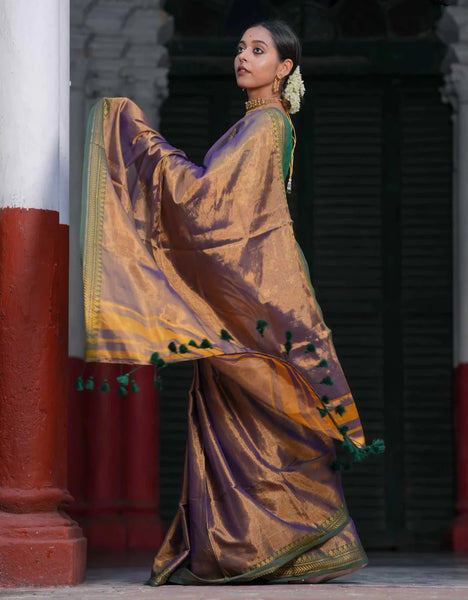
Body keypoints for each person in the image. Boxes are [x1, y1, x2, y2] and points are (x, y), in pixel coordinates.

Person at [81, 19, 382, 586]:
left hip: (257, 291)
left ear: (285, 67)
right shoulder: (257, 126)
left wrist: (141, 141)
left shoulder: (267, 125)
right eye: (241, 47)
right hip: (249, 289)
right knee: (245, 415)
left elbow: (211, 208)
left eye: (259, 50)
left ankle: (288, 541)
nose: (243, 56)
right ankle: (258, 546)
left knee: (264, 408)